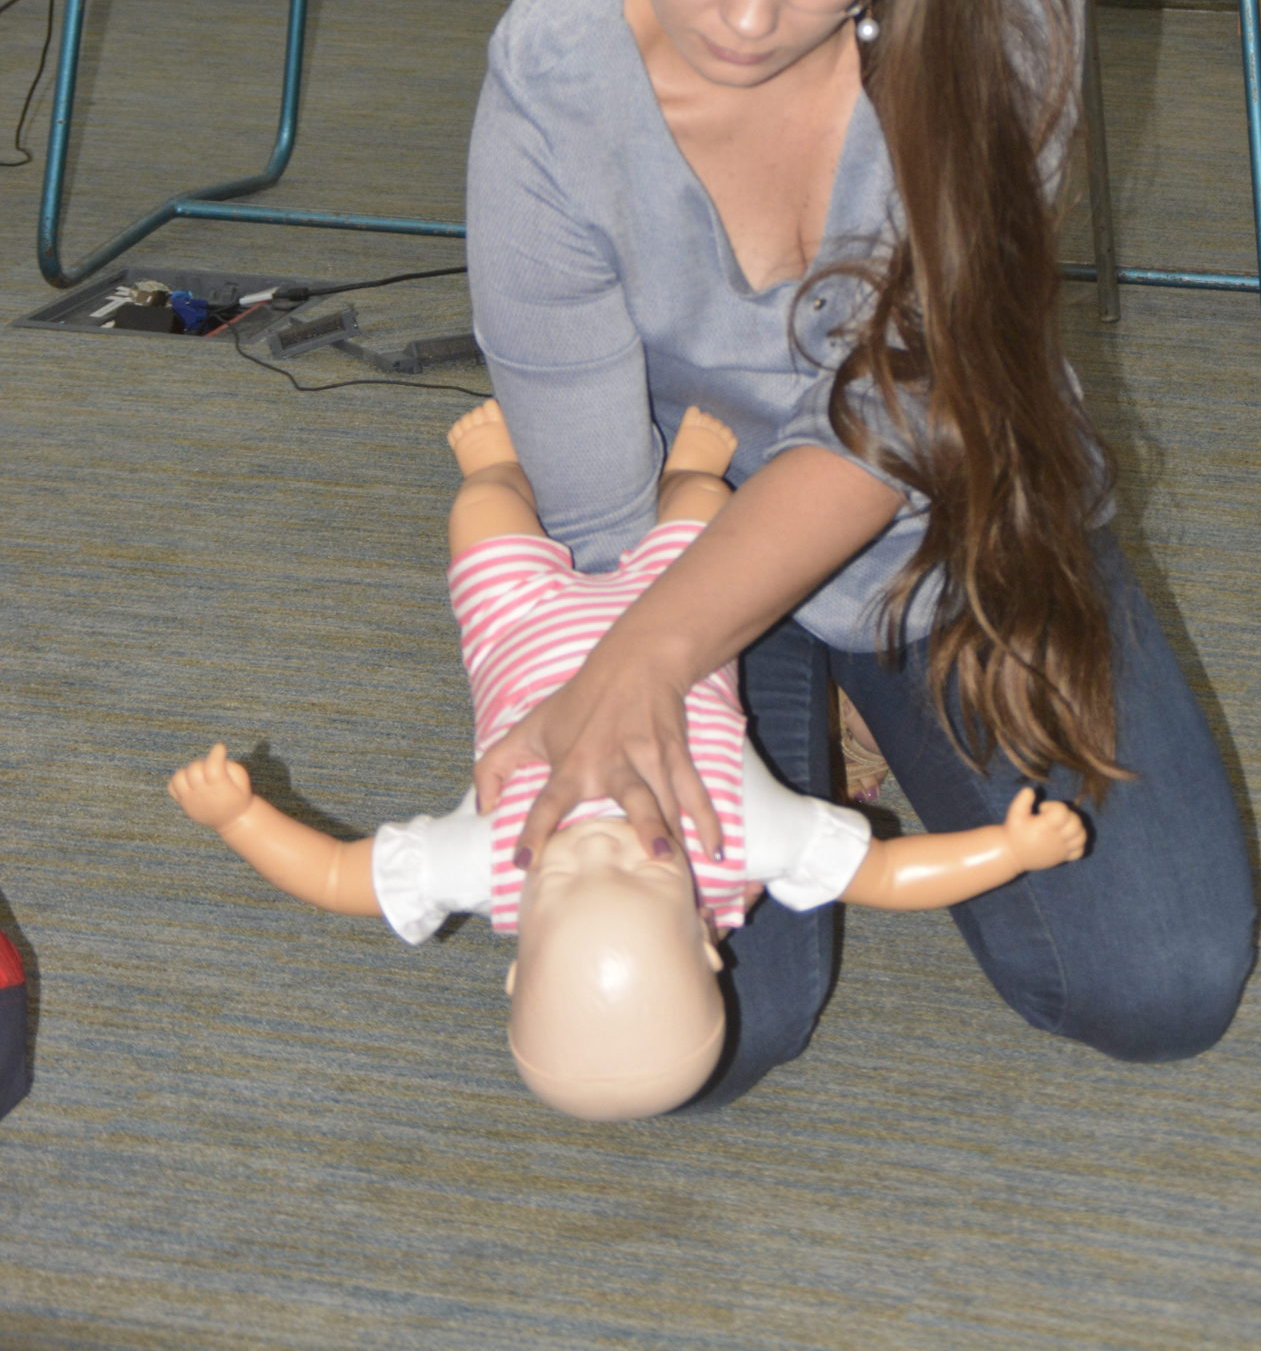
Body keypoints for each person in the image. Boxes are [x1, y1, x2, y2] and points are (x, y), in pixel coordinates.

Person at [466, 0, 1258, 1107]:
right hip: (681, 538)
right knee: (714, 1038)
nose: (745, 18)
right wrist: (640, 663)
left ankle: (851, 701)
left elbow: (911, 411)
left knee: (1160, 982)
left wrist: (643, 672)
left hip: (945, 519)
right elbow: (598, 504)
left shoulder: (1004, 7)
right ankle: (795, 697)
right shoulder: (554, 76)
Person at [168, 400, 1086, 1120]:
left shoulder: (483, 863)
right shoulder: (736, 841)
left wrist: (240, 819)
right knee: (702, 518)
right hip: (681, 610)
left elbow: (337, 876)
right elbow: (884, 874)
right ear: (706, 936)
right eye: (646, 868)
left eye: (563, 880)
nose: (598, 847)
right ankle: (689, 474)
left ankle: (493, 470)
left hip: (520, 623)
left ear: (517, 960)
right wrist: (1006, 850)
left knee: (482, 517)